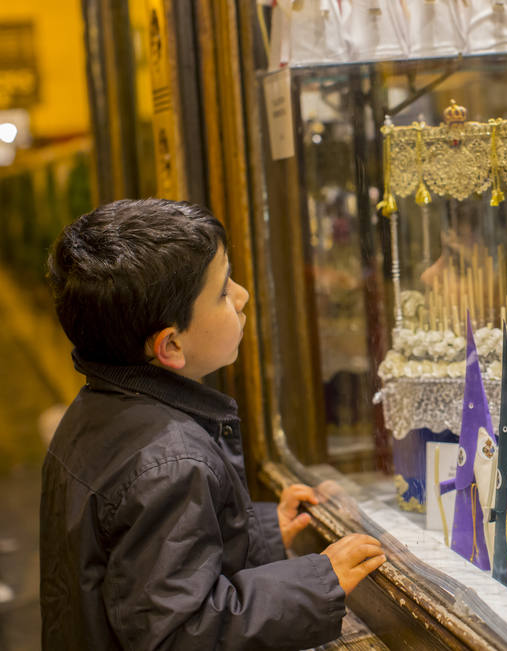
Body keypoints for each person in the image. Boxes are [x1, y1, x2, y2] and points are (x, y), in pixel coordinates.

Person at [40, 199, 386, 650]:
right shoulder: (168, 462)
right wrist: (317, 581)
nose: (241, 296)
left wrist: (259, 532)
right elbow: (180, 633)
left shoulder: (98, 408)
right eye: (223, 291)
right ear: (171, 346)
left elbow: (140, 568)